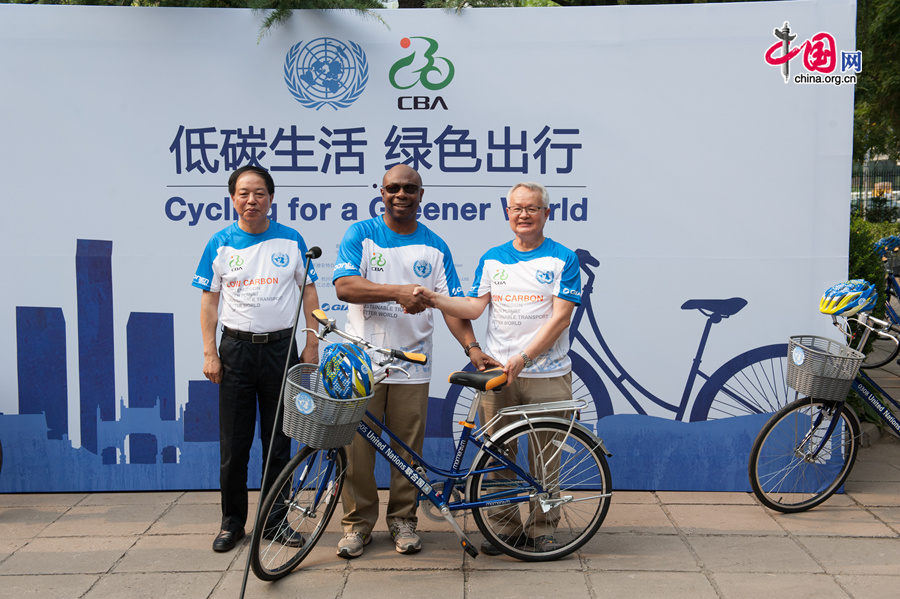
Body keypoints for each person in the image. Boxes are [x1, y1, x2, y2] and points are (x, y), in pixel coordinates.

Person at [332, 164, 497, 558]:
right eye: (393, 188)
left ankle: (404, 520)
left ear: (421, 194)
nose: (400, 194)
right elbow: (344, 286)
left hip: (413, 364)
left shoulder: (435, 246)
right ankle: (357, 526)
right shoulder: (361, 233)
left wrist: (472, 348)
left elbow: (453, 307)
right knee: (357, 450)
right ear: (381, 192)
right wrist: (399, 292)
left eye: (409, 188)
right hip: (360, 364)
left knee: (408, 450)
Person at [413, 181, 582, 555]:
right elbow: (473, 308)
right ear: (507, 214)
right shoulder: (493, 258)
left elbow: (559, 320)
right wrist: (435, 299)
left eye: (532, 208)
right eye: (516, 208)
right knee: (497, 455)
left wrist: (524, 358)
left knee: (546, 458)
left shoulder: (563, 259)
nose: (523, 215)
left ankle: (543, 529)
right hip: (498, 378)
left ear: (546, 214)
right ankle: (505, 528)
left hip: (547, 375)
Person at [193, 165, 321, 553]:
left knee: (279, 443)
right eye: (244, 193)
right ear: (233, 198)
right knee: (234, 443)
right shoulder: (220, 243)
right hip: (235, 352)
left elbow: (310, 294)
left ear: (270, 198)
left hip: (282, 352)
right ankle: (232, 523)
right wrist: (210, 352)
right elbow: (209, 302)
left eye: (260, 193)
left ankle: (275, 522)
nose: (252, 200)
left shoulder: (292, 240)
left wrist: (311, 344)